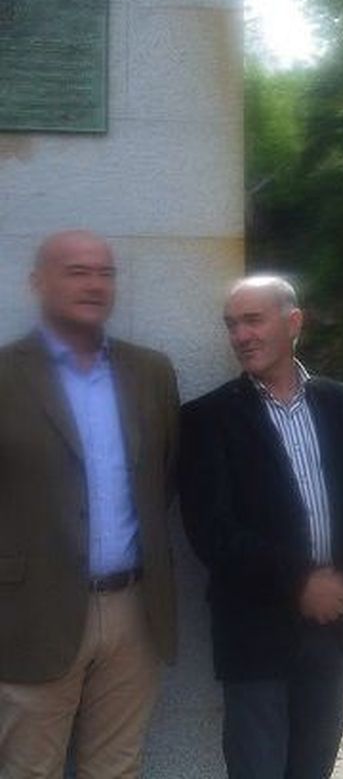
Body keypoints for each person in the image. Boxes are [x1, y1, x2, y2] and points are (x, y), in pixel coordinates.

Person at [180, 276, 343, 778]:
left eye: (253, 321)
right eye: (232, 325)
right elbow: (213, 531)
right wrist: (300, 582)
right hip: (255, 634)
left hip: (335, 630)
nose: (241, 335)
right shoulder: (207, 419)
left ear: (293, 322)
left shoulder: (342, 403)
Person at [0, 230, 180, 778]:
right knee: (29, 769)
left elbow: (165, 477)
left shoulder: (151, 372)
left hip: (134, 610)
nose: (95, 284)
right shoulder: (5, 374)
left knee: (117, 768)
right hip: (32, 612)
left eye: (105, 273)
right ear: (37, 283)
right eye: (77, 271)